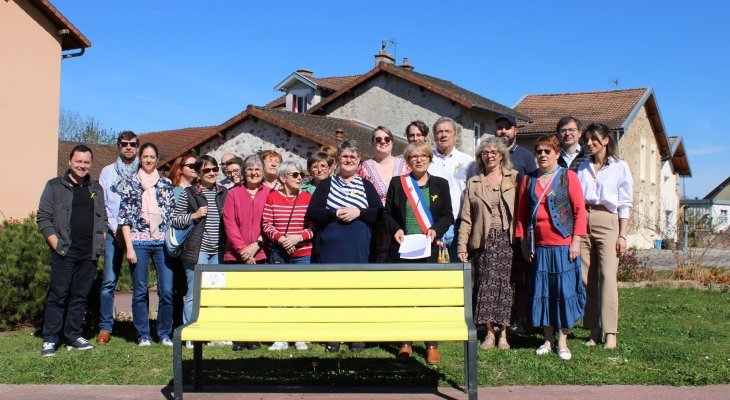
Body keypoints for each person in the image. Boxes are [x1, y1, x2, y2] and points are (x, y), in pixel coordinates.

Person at [515, 135, 587, 361]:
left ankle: (563, 342)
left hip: (564, 246)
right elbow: (521, 215)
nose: (543, 155)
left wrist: (576, 241)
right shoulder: (528, 180)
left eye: (548, 151)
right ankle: (547, 339)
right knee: (543, 294)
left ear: (557, 153)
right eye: (539, 152)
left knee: (563, 294)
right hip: (539, 247)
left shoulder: (569, 177)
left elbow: (579, 211)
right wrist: (524, 243)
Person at [306, 140, 382, 353]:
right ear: (338, 159)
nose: (349, 160)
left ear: (359, 161)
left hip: (359, 248)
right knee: (333, 292)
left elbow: (379, 212)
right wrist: (334, 212)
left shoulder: (366, 185)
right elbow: (312, 212)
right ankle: (333, 335)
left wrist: (360, 212)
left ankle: (356, 335)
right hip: (330, 249)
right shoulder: (326, 185)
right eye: (345, 156)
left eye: (353, 157)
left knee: (357, 291)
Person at [383, 141, 453, 365]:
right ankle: (405, 342)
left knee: (429, 298)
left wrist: (435, 230)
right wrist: (396, 229)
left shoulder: (441, 184)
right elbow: (387, 214)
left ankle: (431, 344)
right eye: (414, 157)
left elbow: (448, 215)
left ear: (429, 159)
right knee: (405, 297)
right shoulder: (397, 183)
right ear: (408, 161)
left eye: (423, 156)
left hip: (430, 249)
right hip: (404, 249)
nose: (419, 159)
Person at [37, 145, 107, 357]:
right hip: (65, 251)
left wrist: (100, 241)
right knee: (58, 295)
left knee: (80, 296)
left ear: (90, 164)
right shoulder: (55, 186)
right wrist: (56, 244)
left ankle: (73, 335)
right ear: (69, 162)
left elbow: (102, 218)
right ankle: (50, 338)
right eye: (78, 161)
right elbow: (43, 217)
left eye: (86, 162)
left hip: (88, 252)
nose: (82, 165)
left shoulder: (96, 188)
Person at [457, 137, 519, 350]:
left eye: (493, 152)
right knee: (485, 286)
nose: (489, 155)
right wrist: (462, 246)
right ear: (480, 157)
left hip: (507, 241)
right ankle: (489, 334)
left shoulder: (514, 178)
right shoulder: (474, 183)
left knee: (506, 288)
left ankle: (504, 334)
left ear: (501, 155)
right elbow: (466, 218)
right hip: (483, 241)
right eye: (485, 152)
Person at [576, 122, 633, 350]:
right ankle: (593, 330)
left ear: (606, 141)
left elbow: (625, 203)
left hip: (608, 220)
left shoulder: (620, 167)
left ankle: (610, 332)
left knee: (608, 276)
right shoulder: (582, 167)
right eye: (587, 140)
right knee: (586, 278)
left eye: (594, 139)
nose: (589, 144)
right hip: (583, 220)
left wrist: (623, 235)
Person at [118, 142, 176, 347]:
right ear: (139, 159)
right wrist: (130, 247)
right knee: (140, 290)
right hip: (139, 242)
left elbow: (172, 216)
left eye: (152, 157)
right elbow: (124, 218)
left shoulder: (166, 184)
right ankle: (143, 334)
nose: (149, 160)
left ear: (157, 160)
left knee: (167, 290)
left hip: (162, 243)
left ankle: (164, 333)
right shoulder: (130, 184)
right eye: (145, 157)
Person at [171, 155, 228, 337]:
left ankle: (216, 334)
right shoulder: (189, 193)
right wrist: (194, 215)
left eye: (214, 169)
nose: (211, 173)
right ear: (198, 173)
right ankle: (191, 334)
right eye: (206, 170)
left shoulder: (224, 192)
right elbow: (175, 220)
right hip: (198, 252)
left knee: (217, 294)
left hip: (218, 252)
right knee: (194, 295)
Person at [262, 161, 314, 351]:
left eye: (301, 174)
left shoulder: (307, 197)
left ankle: (300, 336)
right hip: (279, 252)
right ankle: (280, 337)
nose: (300, 177)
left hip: (303, 252)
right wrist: (282, 240)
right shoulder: (272, 197)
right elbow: (266, 224)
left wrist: (297, 237)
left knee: (302, 296)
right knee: (279, 296)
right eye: (295, 174)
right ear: (282, 178)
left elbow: (314, 227)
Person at [223, 155, 272, 352]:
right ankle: (238, 337)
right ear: (243, 172)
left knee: (256, 299)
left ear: (263, 172)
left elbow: (271, 223)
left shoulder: (269, 193)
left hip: (260, 253)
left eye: (257, 169)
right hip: (236, 255)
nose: (253, 172)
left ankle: (253, 336)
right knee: (237, 299)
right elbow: (229, 223)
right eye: (249, 169)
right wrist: (243, 250)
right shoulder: (233, 194)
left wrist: (256, 246)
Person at [96, 131, 139, 345]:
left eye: (132, 144)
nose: (128, 147)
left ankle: (142, 328)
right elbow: (102, 203)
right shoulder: (108, 171)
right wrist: (112, 228)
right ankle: (105, 328)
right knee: (109, 282)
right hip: (113, 233)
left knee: (139, 282)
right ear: (118, 146)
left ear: (137, 146)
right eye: (124, 144)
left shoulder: (143, 171)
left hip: (137, 234)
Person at [427, 117, 477, 261]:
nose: (443, 135)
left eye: (447, 131)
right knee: (434, 271)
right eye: (439, 132)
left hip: (458, 225)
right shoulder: (427, 159)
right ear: (434, 136)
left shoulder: (467, 162)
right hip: (432, 225)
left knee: (458, 269)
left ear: (455, 135)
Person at [359, 126, 407, 262]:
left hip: (400, 223)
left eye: (387, 139)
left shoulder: (404, 165)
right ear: (373, 143)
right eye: (378, 139)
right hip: (376, 225)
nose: (383, 141)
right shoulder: (364, 167)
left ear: (392, 142)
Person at [165, 151, 198, 329]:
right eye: (191, 166)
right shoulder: (174, 191)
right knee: (178, 287)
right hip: (179, 244)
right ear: (181, 168)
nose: (195, 169)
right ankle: (177, 325)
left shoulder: (198, 190)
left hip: (194, 245)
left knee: (190, 288)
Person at [494, 114, 537, 183]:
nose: (503, 131)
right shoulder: (489, 155)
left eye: (508, 128)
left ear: (515, 131)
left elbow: (532, 184)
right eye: (500, 127)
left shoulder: (526, 156)